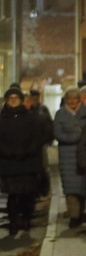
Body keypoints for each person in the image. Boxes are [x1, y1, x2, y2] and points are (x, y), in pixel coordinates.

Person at [0, 86, 45, 234]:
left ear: (22, 101)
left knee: (27, 194)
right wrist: (10, 152)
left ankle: (26, 219)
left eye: (16, 98)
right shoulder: (0, 119)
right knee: (13, 195)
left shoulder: (31, 117)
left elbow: (37, 138)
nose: (13, 100)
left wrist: (26, 151)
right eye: (10, 98)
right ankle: (13, 222)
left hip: (27, 162)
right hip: (9, 163)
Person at [54, 87, 86, 228]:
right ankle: (74, 215)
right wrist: (76, 136)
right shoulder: (60, 114)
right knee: (70, 188)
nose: (72, 101)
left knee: (83, 186)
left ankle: (81, 212)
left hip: (83, 154)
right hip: (67, 155)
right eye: (70, 99)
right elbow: (58, 133)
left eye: (75, 98)